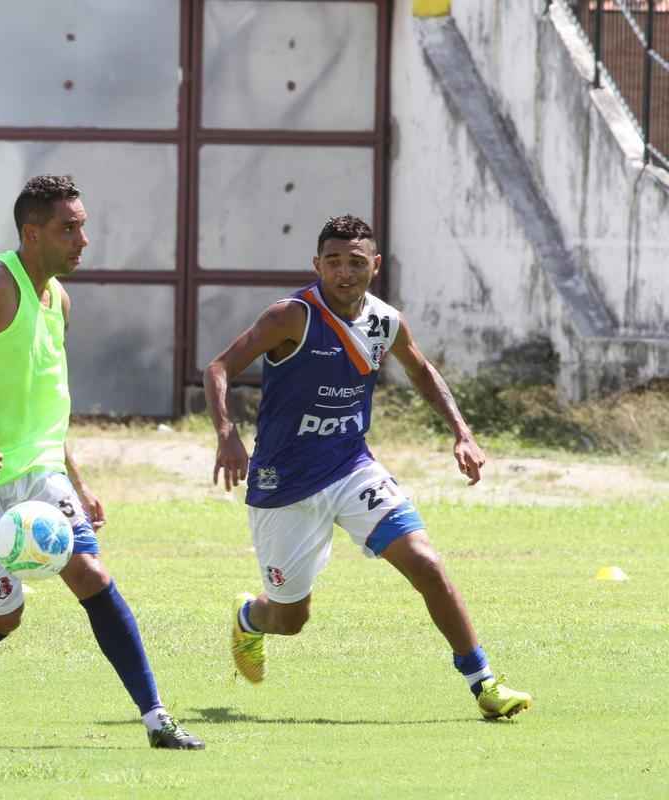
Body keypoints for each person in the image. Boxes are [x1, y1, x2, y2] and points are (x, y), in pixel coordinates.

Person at [0, 175, 204, 750]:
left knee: (91, 575)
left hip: (39, 472)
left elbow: (47, 403)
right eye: (69, 229)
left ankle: (156, 718)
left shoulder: (59, 300)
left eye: (82, 227)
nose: (82, 240)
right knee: (5, 612)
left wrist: (78, 483)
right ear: (32, 233)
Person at [205, 214, 531, 720]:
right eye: (333, 262)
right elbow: (219, 367)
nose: (344, 272)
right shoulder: (291, 317)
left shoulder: (385, 321)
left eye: (355, 262)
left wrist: (462, 431)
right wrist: (227, 433)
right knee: (290, 619)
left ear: (374, 265)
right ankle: (250, 618)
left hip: (352, 467)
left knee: (426, 563)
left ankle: (484, 682)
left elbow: (420, 369)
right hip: (284, 482)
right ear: (316, 265)